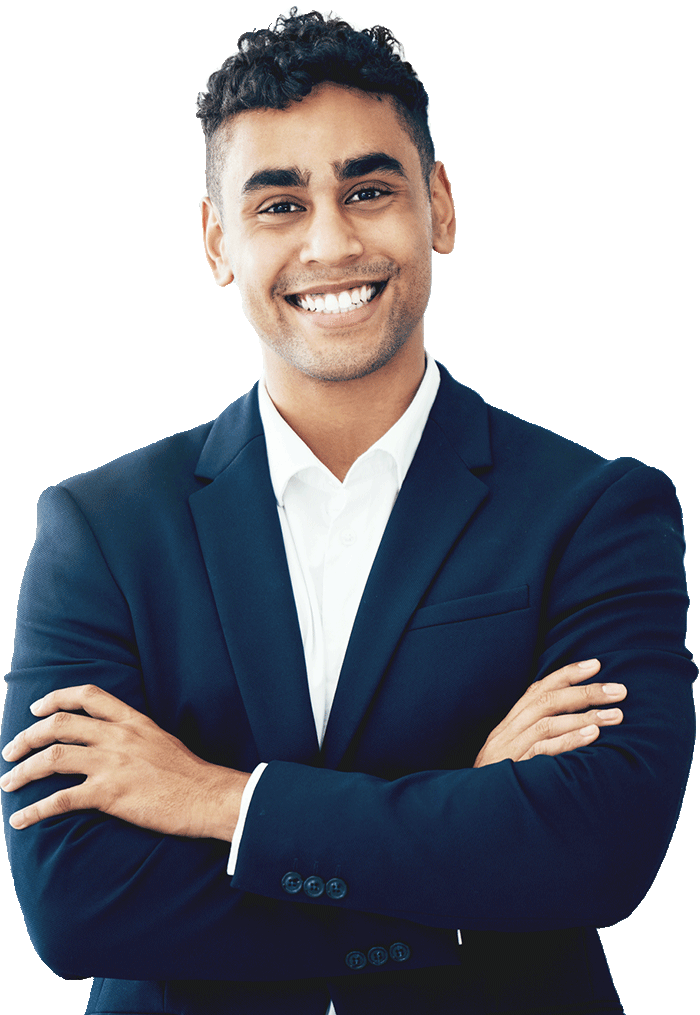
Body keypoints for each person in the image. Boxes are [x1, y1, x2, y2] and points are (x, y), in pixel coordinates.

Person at [1, 9, 694, 1015]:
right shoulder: (99, 529)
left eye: (368, 191)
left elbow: (599, 851)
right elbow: (75, 900)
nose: (330, 242)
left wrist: (215, 798)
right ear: (218, 241)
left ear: (439, 206)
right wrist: (464, 847)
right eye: (279, 204)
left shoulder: (594, 510)